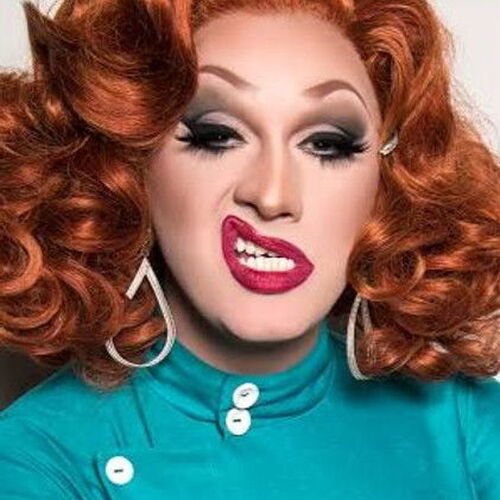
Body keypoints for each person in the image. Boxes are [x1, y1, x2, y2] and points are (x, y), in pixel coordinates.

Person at [0, 0, 498, 498]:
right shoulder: (37, 461)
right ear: (127, 167)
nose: (273, 195)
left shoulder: (462, 425)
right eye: (217, 136)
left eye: (327, 144)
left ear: (387, 180)